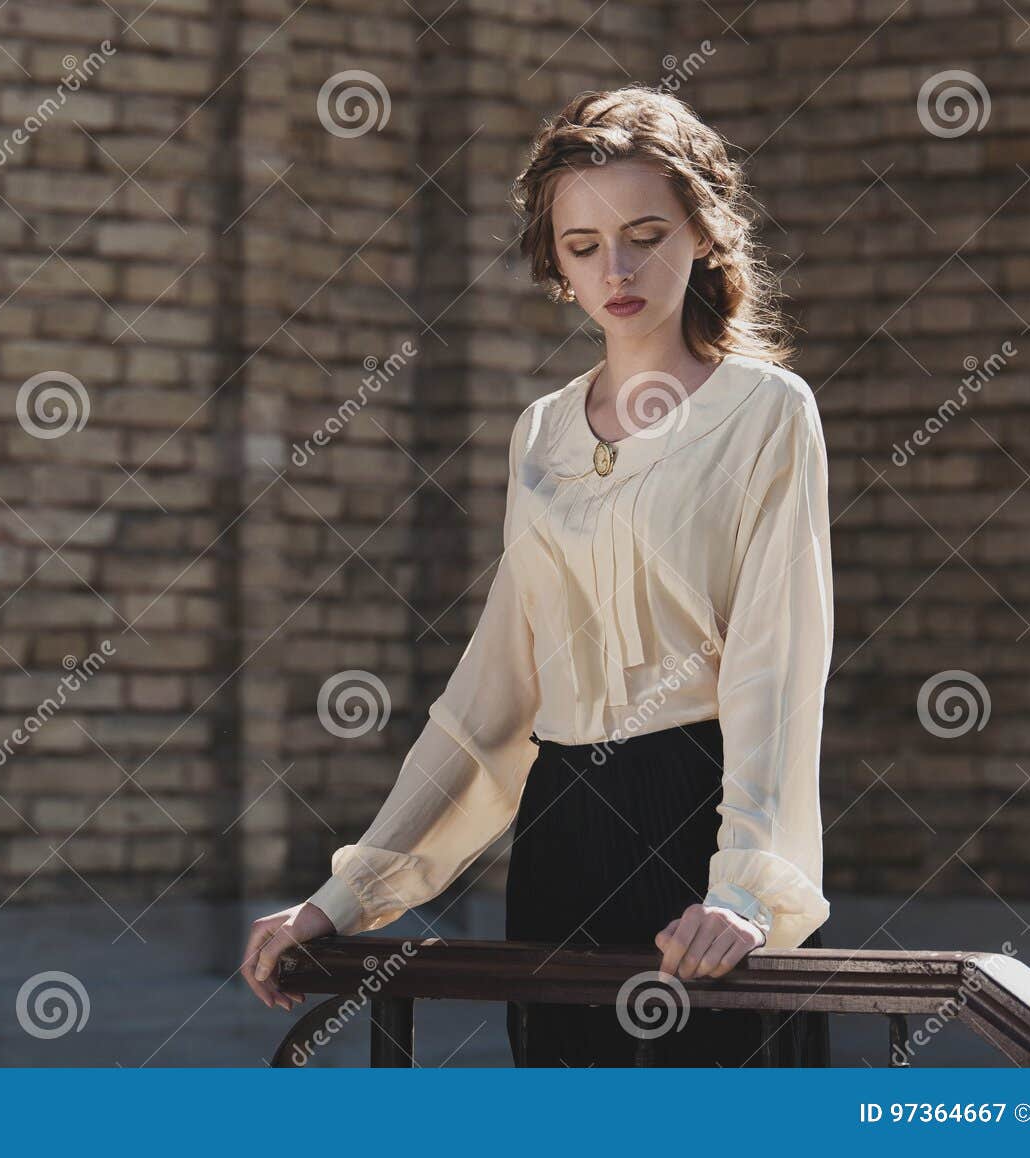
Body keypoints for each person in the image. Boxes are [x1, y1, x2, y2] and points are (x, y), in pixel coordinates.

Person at [242, 84, 835, 1068]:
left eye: (647, 232)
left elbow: (776, 667)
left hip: (699, 826)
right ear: (554, 262)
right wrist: (347, 895)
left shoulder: (766, 412)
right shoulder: (542, 431)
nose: (619, 267)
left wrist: (745, 890)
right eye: (584, 244)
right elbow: (494, 697)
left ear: (703, 233)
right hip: (562, 839)